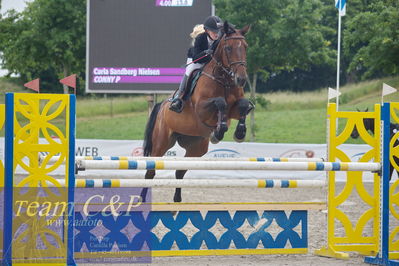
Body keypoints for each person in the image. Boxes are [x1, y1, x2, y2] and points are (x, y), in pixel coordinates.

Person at [169, 15, 223, 113]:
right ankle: (179, 98)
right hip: (195, 59)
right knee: (189, 72)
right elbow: (196, 58)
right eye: (214, 31)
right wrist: (205, 52)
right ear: (207, 31)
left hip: (209, 61)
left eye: (218, 31)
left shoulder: (219, 40)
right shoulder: (200, 38)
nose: (216, 34)